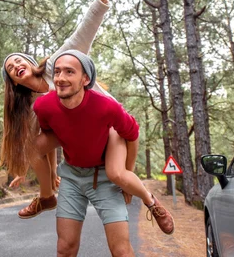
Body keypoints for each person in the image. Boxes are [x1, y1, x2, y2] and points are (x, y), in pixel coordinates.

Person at [0, 0, 173, 236]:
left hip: (105, 125)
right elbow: (47, 137)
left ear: (30, 63)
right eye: (10, 69)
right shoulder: (33, 107)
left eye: (18, 60)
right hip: (75, 138)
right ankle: (46, 198)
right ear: (13, 82)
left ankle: (151, 202)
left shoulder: (58, 64)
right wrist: (24, 169)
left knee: (117, 175)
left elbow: (83, 32)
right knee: (31, 146)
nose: (15, 65)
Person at [33, 50, 174, 256]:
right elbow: (49, 137)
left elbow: (132, 135)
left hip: (105, 178)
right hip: (72, 177)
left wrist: (127, 175)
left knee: (121, 251)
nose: (60, 78)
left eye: (69, 72)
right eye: (57, 72)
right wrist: (52, 174)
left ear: (85, 79)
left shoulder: (107, 107)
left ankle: (152, 202)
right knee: (65, 248)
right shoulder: (43, 106)